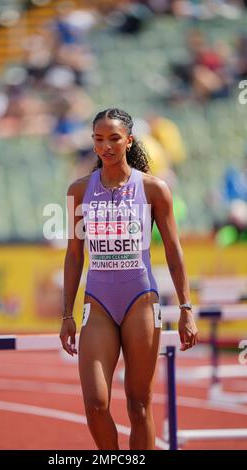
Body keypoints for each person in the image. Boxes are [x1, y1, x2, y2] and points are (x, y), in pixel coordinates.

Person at [59, 108, 198, 450]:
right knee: (95, 403)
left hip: (141, 300)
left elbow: (173, 251)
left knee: (139, 404)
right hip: (99, 303)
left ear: (129, 140)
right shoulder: (78, 191)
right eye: (98, 139)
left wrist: (186, 307)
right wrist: (66, 314)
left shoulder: (153, 189)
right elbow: (74, 255)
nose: (105, 146)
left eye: (114, 138)